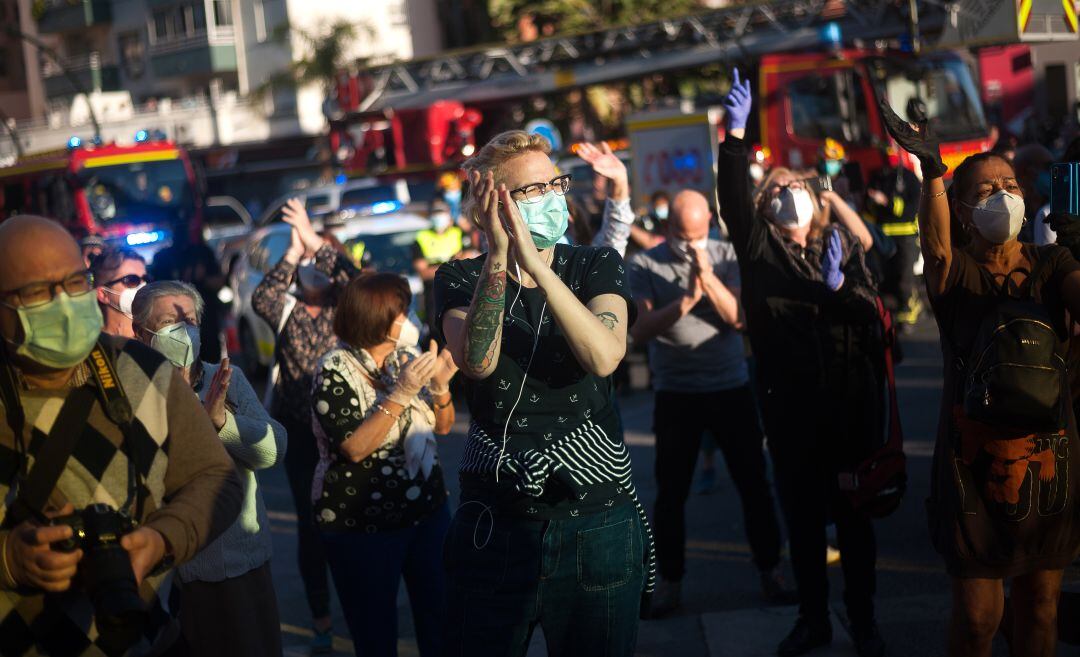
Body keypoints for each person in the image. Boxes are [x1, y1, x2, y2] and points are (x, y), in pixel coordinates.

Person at [435, 130, 651, 657]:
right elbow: (478, 362)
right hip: (498, 523)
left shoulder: (595, 265)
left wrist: (538, 270)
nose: (554, 196)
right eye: (534, 191)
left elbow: (604, 356)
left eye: (555, 183)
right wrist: (500, 258)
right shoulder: (459, 277)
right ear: (493, 203)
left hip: (595, 518)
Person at [881, 100, 1080, 657]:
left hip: (1050, 461)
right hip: (974, 468)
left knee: (1041, 607)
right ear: (963, 212)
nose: (1003, 195)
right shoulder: (956, 274)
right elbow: (936, 248)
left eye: (1010, 184)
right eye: (986, 190)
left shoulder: (1052, 263)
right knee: (977, 619)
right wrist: (934, 173)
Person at [0, 215, 243, 655]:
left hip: (146, 638)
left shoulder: (141, 370)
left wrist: (161, 539)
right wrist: (9, 560)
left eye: (74, 282)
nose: (62, 302)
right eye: (37, 292)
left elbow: (216, 478)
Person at [716, 70, 887, 657]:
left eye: (798, 188)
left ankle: (863, 621)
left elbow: (871, 313)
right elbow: (735, 200)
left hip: (847, 412)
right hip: (790, 415)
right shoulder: (760, 251)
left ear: (818, 202)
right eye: (776, 191)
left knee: (855, 525)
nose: (786, 195)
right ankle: (814, 619)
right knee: (806, 527)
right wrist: (735, 137)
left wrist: (840, 288)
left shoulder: (840, 246)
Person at [628, 189, 792, 615]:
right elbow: (642, 330)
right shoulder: (645, 262)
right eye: (685, 236)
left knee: (754, 483)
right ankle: (670, 579)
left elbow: (738, 318)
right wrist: (685, 300)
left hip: (729, 387)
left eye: (700, 234)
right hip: (676, 393)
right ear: (669, 230)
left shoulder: (723, 254)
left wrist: (708, 277)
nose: (693, 243)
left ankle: (770, 569)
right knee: (671, 493)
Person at [132, 281, 286, 657]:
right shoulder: (134, 393)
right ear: (141, 332)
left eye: (190, 319)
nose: (183, 329)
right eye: (170, 321)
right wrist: (196, 423)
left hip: (245, 557)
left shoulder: (225, 380)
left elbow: (273, 448)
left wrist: (222, 425)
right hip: (187, 569)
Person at [311, 273, 457, 656]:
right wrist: (402, 392)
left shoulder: (405, 357)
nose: (410, 319)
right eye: (402, 312)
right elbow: (355, 447)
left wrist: (440, 387)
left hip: (427, 513)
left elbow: (443, 426)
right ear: (376, 318)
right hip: (362, 525)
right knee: (375, 634)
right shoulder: (333, 370)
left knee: (441, 622)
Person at [252, 197, 358, 653]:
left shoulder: (347, 305)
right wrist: (293, 252)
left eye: (320, 262)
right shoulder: (288, 309)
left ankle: (358, 608)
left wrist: (317, 243)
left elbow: (361, 280)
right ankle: (320, 619)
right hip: (299, 434)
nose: (315, 272)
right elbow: (263, 297)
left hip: (347, 432)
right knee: (311, 527)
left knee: (352, 523)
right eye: (307, 264)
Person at [866, 148, 923, 326]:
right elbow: (869, 209)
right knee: (884, 278)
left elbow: (910, 210)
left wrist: (886, 202)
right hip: (882, 237)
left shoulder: (909, 178)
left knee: (904, 278)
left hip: (905, 237)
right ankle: (890, 314)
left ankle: (908, 312)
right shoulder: (878, 177)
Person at [149, 233, 226, 363]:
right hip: (176, 328)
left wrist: (202, 278)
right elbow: (155, 292)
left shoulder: (202, 252)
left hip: (206, 324)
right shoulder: (163, 257)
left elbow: (219, 281)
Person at [413, 199, 467, 336]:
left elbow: (469, 260)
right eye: (435, 212)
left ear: (448, 214)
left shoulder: (459, 234)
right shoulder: (421, 237)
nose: (438, 216)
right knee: (438, 335)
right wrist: (453, 265)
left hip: (460, 293)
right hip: (434, 297)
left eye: (441, 212)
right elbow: (424, 273)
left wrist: (436, 268)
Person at [92, 246, 149, 339]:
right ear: (103, 294)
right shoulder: (91, 347)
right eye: (132, 280)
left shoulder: (154, 339)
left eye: (146, 279)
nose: (143, 285)